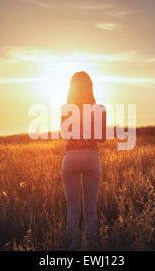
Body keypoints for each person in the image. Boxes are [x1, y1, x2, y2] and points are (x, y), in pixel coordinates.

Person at [61, 71, 106, 250]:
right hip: (91, 157)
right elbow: (101, 138)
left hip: (70, 156)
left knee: (72, 211)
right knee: (91, 210)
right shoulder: (99, 108)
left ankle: (72, 247)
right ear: (90, 87)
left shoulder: (66, 109)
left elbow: (64, 134)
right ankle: (93, 249)